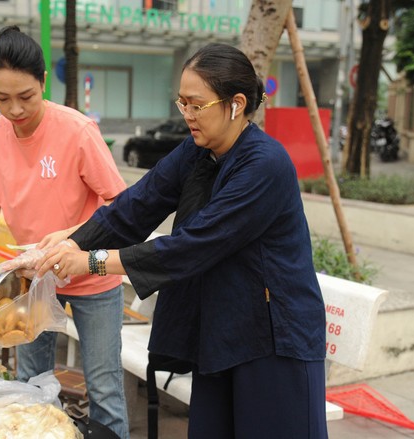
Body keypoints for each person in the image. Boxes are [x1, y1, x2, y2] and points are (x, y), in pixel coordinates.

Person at [34, 43, 329, 438]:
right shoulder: (197, 150)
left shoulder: (265, 164)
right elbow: (137, 204)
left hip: (275, 338)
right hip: (222, 329)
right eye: (182, 103)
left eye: (197, 105)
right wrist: (73, 241)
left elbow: (194, 245)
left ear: (236, 104)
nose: (187, 115)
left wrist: (91, 261)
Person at [0, 26, 129, 438]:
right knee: (32, 383)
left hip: (91, 274)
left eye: (25, 96)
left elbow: (120, 203)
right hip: (28, 278)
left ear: (43, 82)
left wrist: (71, 237)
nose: (14, 110)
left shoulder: (77, 130)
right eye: (1, 98)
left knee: (104, 387)